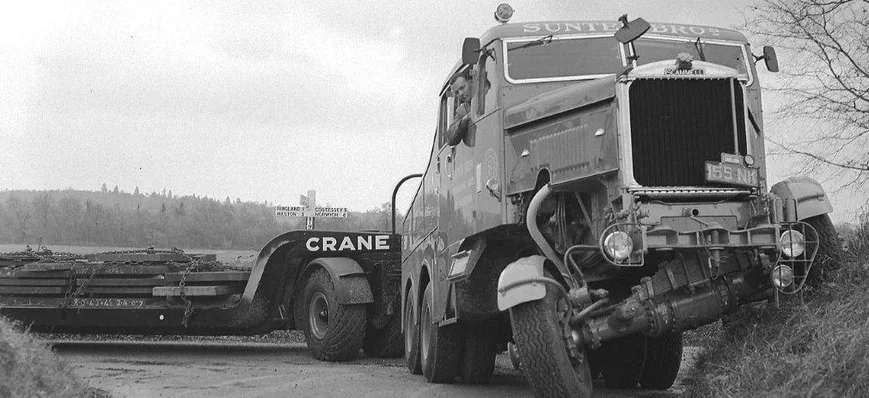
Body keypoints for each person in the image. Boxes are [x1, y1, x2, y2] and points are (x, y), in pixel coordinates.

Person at [446, 70, 475, 146]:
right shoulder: (462, 111)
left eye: (462, 88)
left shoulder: (489, 95)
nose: (461, 93)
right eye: (457, 92)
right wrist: (464, 120)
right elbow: (450, 138)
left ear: (471, 82)